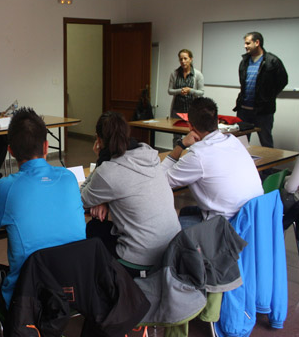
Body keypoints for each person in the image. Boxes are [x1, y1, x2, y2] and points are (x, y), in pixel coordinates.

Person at [0, 108, 86, 309]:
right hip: (74, 289)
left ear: (10, 151)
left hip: (31, 296)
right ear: (46, 147)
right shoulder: (69, 178)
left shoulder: (6, 187)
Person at [80, 112, 180, 275]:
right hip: (173, 247)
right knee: (100, 227)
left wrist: (100, 162)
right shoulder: (148, 153)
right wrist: (104, 198)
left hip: (143, 259)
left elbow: (81, 199)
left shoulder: (108, 171)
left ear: (98, 139)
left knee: (92, 230)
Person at [160, 97, 263, 228]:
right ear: (217, 121)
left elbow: (160, 181)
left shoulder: (198, 155)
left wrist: (181, 145)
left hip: (225, 229)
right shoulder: (232, 140)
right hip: (250, 220)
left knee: (165, 228)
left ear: (190, 126)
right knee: (183, 212)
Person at [234, 32, 288, 148]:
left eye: (248, 43)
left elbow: (283, 81)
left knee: (266, 141)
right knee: (241, 142)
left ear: (257, 42)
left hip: (263, 111)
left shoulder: (272, 61)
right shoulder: (244, 61)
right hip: (244, 110)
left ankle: (269, 166)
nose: (245, 46)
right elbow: (243, 82)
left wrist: (268, 96)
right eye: (245, 43)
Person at [167, 49, 204, 146]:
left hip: (191, 111)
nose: (183, 61)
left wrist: (190, 90)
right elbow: (170, 91)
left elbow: (201, 92)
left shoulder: (197, 74)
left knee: (192, 135)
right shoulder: (174, 74)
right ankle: (175, 157)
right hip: (177, 109)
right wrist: (180, 91)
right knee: (176, 137)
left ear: (191, 59)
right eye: (181, 59)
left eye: (185, 58)